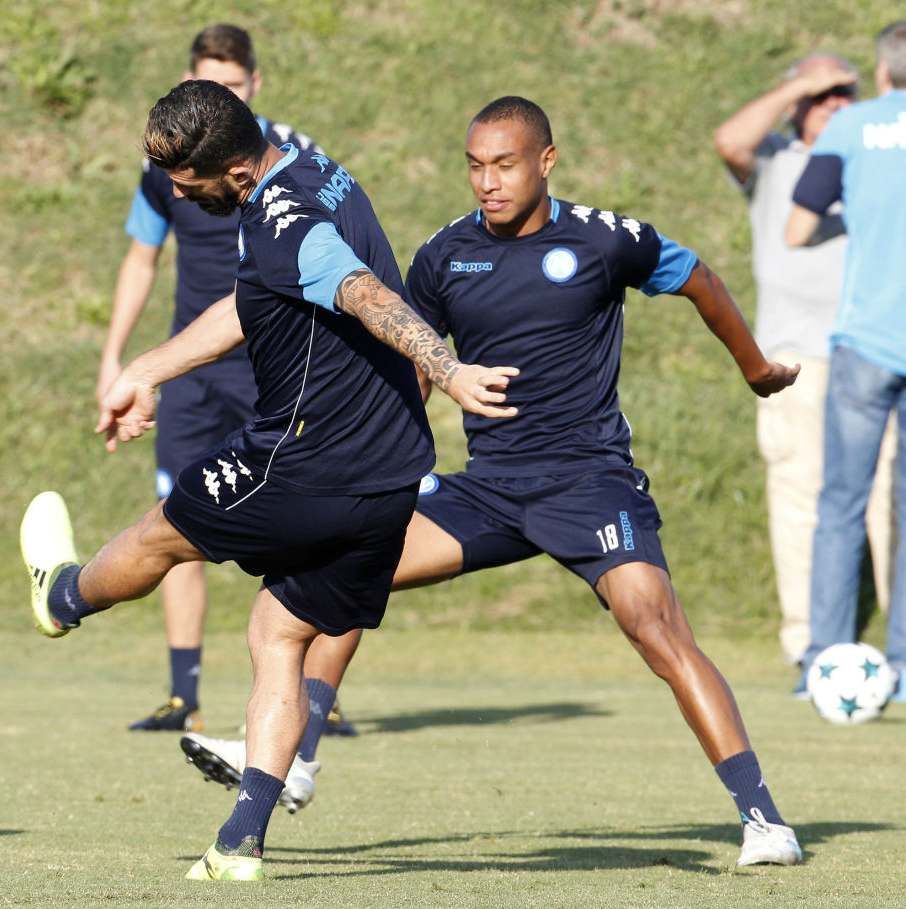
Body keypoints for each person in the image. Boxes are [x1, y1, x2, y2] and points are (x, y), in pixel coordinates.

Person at [178, 95, 805, 868]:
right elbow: (411, 358)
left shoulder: (606, 240)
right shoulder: (444, 255)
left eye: (504, 165)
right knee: (349, 563)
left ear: (546, 160)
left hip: (588, 481)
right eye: (475, 165)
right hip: (490, 488)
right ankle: (296, 761)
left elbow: (700, 279)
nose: (487, 181)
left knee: (654, 624)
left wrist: (755, 368)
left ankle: (764, 820)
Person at [20, 79, 517, 881]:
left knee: (159, 534)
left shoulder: (282, 222)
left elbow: (361, 291)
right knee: (279, 631)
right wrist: (148, 369)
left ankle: (62, 596)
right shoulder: (318, 171)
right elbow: (257, 298)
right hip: (391, 474)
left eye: (188, 185)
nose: (178, 196)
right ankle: (239, 844)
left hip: (301, 460)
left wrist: (448, 368)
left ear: (235, 172)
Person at [98, 24, 357, 736]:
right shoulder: (166, 166)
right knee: (175, 510)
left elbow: (335, 258)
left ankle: (313, 691)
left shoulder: (290, 158)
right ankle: (184, 694)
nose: (220, 97)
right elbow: (141, 258)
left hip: (273, 362)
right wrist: (115, 357)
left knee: (306, 520)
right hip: (191, 369)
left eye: (233, 87)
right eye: (208, 85)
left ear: (255, 87)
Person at [714, 53, 896, 671]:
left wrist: (823, 94)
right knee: (800, 500)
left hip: (871, 348)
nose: (832, 102)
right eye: (819, 95)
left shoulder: (872, 150)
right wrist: (802, 83)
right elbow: (729, 140)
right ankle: (809, 647)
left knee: (887, 498)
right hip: (795, 358)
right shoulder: (775, 159)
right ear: (794, 103)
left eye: (843, 90)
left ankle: (897, 647)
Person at [786, 21, 906, 701]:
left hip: (866, 342)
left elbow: (798, 227)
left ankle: (823, 664)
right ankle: (904, 669)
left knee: (840, 504)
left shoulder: (853, 125)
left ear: (882, 73)